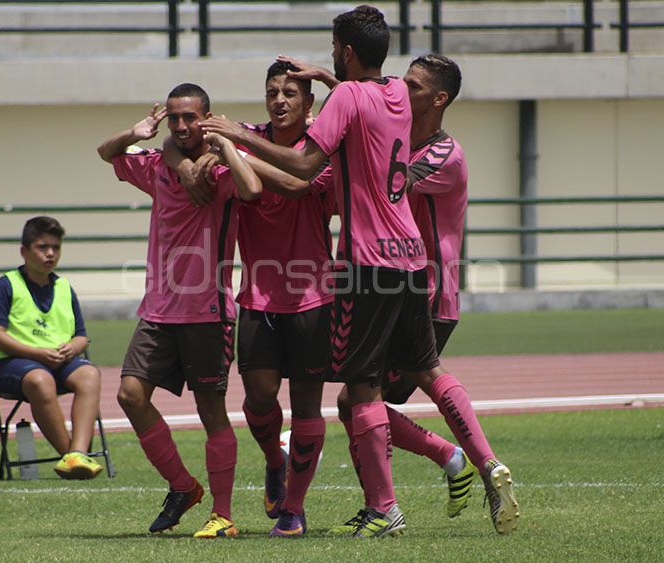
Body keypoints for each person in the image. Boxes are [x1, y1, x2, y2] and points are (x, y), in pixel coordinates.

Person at [201, 5, 518, 538]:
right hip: (412, 260)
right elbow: (364, 93)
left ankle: (385, 508)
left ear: (345, 51)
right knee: (429, 369)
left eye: (333, 49)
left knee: (359, 388)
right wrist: (329, 80)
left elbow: (303, 167)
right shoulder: (395, 91)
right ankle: (484, 461)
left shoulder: (349, 97)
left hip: (366, 262)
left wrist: (235, 134)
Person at [165, 61, 335, 538]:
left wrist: (231, 150)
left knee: (306, 406)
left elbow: (298, 184)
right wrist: (199, 157)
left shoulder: (321, 147)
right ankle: (273, 460)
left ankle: (294, 509)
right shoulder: (243, 135)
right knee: (259, 400)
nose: (280, 100)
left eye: (290, 93)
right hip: (258, 295)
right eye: (272, 92)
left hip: (312, 293)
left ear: (309, 103)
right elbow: (175, 141)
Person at [96, 83, 261, 539]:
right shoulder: (156, 166)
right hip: (159, 310)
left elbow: (251, 190)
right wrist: (137, 132)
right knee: (130, 395)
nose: (183, 125)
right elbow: (106, 153)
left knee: (212, 414)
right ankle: (184, 487)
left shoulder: (223, 170)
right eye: (175, 118)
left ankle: (223, 515)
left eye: (191, 117)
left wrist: (222, 147)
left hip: (208, 310)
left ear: (206, 117)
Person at [0, 216, 104, 480]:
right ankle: (70, 457)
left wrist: (73, 347)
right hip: (14, 364)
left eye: (56, 247)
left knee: (90, 374)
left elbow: (82, 337)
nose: (50, 254)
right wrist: (37, 353)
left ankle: (78, 453)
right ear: (24, 251)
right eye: (42, 247)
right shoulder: (5, 286)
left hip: (60, 362)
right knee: (40, 380)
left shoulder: (64, 287)